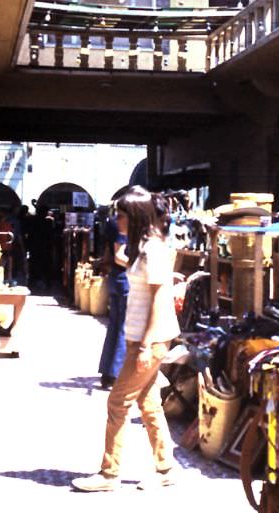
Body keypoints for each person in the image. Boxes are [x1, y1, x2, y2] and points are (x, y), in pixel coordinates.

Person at [72, 186, 180, 492]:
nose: (116, 219)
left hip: (149, 340)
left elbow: (159, 301)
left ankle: (109, 473)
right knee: (149, 404)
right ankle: (166, 467)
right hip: (141, 339)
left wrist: (145, 345)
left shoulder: (153, 249)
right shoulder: (144, 246)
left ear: (134, 216)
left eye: (120, 214)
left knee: (117, 402)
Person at [98, 210, 130, 389]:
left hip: (116, 279)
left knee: (115, 326)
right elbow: (119, 256)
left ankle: (107, 372)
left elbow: (108, 254)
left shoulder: (112, 222)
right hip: (124, 279)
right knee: (122, 328)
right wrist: (138, 267)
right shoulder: (122, 224)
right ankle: (114, 374)